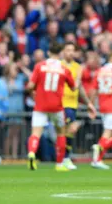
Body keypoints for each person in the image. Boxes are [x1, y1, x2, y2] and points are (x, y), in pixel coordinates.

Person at [26, 42, 76, 172]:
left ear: (48, 53)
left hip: (40, 105)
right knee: (61, 133)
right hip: (57, 106)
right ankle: (59, 164)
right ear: (60, 54)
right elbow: (73, 87)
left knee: (36, 133)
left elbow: (30, 86)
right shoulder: (64, 69)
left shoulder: (39, 66)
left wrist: (34, 90)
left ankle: (31, 153)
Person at [61, 42, 96, 170]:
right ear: (63, 52)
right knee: (69, 130)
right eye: (67, 49)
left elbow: (79, 87)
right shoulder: (59, 65)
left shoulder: (78, 67)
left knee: (67, 131)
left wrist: (88, 103)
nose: (70, 52)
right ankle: (64, 158)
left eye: (72, 50)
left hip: (72, 103)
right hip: (61, 103)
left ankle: (64, 158)